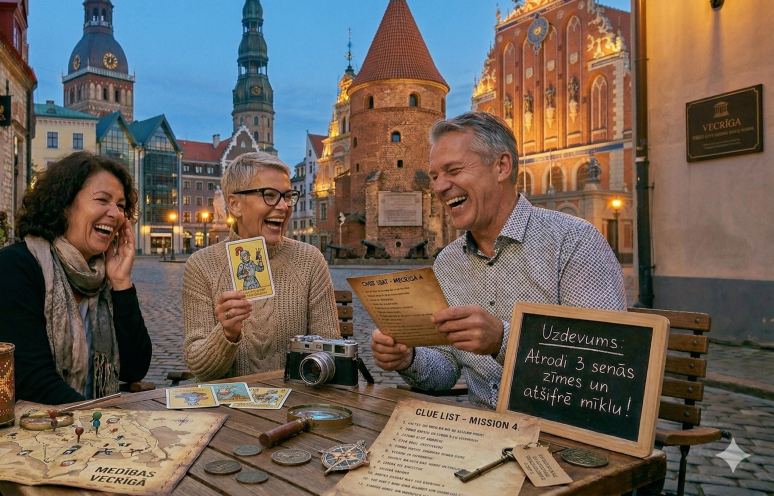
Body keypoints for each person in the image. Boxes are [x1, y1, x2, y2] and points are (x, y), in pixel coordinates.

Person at [370, 111, 625, 409]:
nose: (439, 187)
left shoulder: (574, 241)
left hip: (559, 434)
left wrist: (503, 340)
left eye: (453, 170)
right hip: (481, 436)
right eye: (435, 177)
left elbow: (605, 364)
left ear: (502, 166)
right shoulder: (448, 262)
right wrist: (409, 358)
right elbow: (445, 371)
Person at [0, 152, 152, 495]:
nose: (116, 214)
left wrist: (122, 284)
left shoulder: (102, 278)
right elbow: (32, 380)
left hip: (78, 440)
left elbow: (135, 369)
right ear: (64, 205)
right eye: (103, 200)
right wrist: (108, 424)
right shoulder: (15, 267)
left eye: (122, 205)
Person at [183, 152, 340, 381]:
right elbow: (200, 369)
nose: (284, 206)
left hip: (293, 403)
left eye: (287, 197)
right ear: (235, 204)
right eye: (269, 195)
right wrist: (227, 333)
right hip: (228, 407)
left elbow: (328, 350)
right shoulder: (201, 265)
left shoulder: (310, 260)